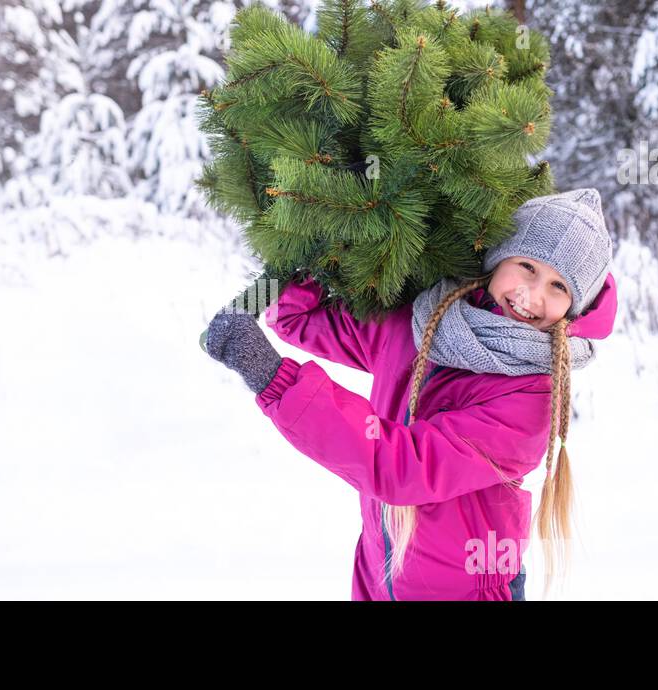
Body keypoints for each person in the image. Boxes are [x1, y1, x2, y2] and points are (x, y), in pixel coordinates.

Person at [203, 188, 617, 600]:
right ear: (498, 259)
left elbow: (400, 466)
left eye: (558, 286)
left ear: (574, 308)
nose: (532, 294)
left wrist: (271, 377)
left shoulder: (531, 398)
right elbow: (299, 316)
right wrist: (316, 237)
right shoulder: (418, 321)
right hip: (377, 577)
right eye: (526, 266)